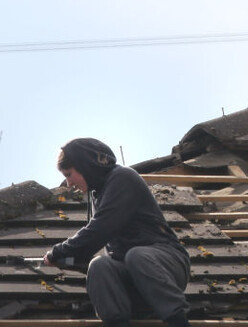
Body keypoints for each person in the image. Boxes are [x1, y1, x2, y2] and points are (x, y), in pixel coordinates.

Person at [44, 138, 191, 327]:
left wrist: (58, 251)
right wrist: (67, 261)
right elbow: (95, 244)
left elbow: (99, 229)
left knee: (137, 255)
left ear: (85, 166)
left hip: (168, 267)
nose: (68, 183)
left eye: (69, 174)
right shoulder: (98, 194)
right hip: (137, 282)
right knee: (99, 265)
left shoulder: (122, 178)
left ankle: (178, 321)